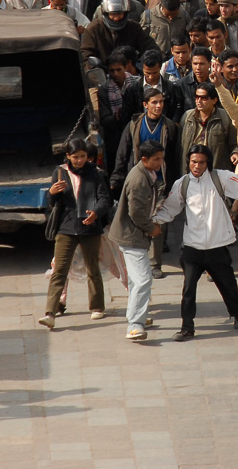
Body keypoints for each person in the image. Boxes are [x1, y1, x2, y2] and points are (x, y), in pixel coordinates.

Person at [152, 143, 238, 340]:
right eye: (193, 162)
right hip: (192, 247)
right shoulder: (182, 184)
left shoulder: (220, 178)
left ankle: (237, 313)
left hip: (217, 245)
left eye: (201, 162)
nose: (197, 166)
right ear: (188, 162)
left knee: (227, 284)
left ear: (208, 163)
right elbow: (170, 209)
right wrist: (151, 222)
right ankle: (187, 327)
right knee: (188, 289)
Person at [38, 137, 113, 329]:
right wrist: (52, 192)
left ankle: (97, 306)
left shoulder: (95, 174)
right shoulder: (60, 173)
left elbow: (105, 198)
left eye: (83, 157)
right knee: (59, 270)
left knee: (92, 268)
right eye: (76, 157)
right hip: (66, 227)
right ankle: (50, 312)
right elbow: (52, 203)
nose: (79, 160)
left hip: (90, 227)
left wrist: (96, 213)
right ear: (68, 156)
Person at [106, 140, 165, 341]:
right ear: (144, 159)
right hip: (131, 236)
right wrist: (152, 229)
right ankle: (135, 324)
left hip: (133, 234)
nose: (160, 163)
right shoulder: (138, 179)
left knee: (135, 279)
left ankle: (137, 315)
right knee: (143, 279)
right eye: (156, 159)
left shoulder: (147, 173)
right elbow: (136, 213)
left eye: (161, 158)